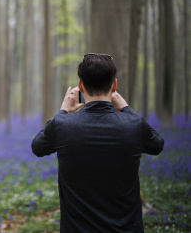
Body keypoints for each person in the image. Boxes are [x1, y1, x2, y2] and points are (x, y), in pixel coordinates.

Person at [31, 53, 164, 232]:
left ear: (80, 85)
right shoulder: (133, 124)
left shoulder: (62, 125)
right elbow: (157, 145)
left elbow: (38, 147)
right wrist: (126, 109)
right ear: (114, 85)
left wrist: (63, 111)